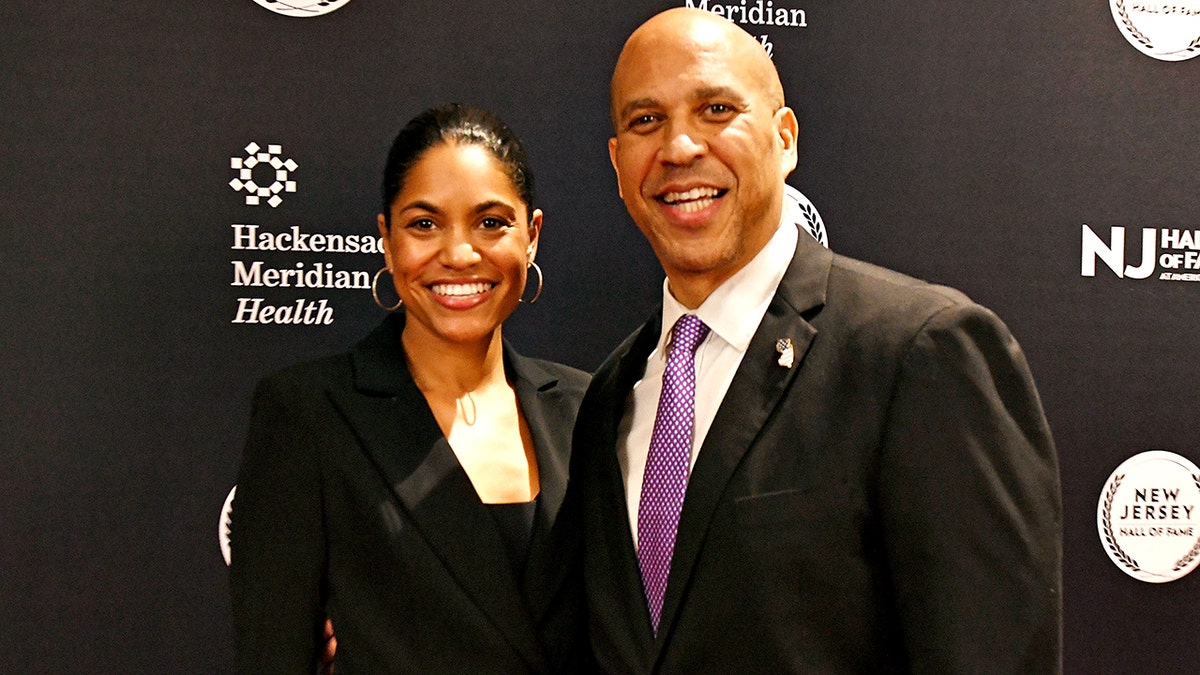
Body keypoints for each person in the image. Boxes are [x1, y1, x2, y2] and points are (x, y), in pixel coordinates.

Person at [571, 8, 1062, 673]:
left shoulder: (920, 353)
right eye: (645, 120)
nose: (679, 147)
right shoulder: (609, 395)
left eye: (716, 109)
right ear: (617, 159)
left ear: (786, 138)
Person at [229, 103, 590, 673]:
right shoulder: (307, 415)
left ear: (532, 236)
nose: (458, 254)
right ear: (387, 240)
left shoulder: (589, 409)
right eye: (424, 224)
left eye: (490, 222)